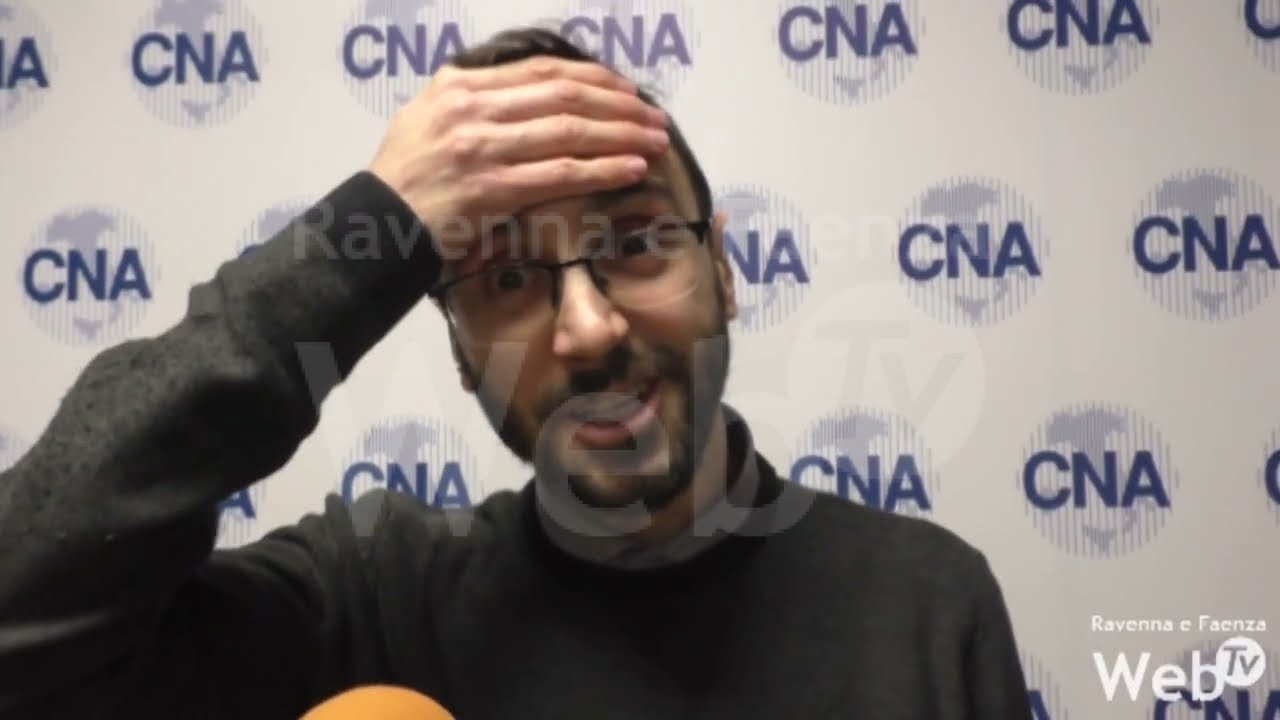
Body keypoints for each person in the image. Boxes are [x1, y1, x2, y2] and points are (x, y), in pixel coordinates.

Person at [0, 27, 1032, 720]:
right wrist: (369, 231)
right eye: (505, 278)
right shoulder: (369, 604)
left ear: (721, 269)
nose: (587, 329)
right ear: (456, 347)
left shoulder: (925, 605)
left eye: (637, 244)